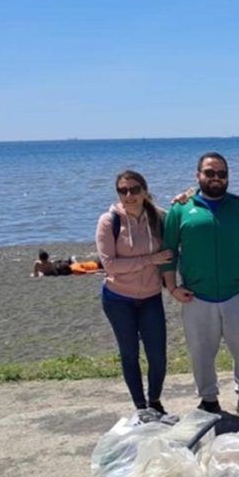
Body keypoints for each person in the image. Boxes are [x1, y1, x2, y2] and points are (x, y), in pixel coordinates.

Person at [160, 152, 239, 417]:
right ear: (198, 175)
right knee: (201, 353)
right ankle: (208, 400)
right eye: (209, 173)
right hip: (196, 296)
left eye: (221, 173)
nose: (216, 178)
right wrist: (173, 287)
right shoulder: (181, 209)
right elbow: (168, 252)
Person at [94, 171, 174, 414]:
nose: (129, 195)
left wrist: (185, 198)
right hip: (118, 298)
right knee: (129, 353)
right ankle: (140, 406)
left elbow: (179, 226)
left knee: (157, 355)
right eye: (123, 190)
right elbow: (109, 265)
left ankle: (155, 401)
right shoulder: (109, 221)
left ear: (145, 190)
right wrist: (151, 260)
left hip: (150, 297)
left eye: (135, 189)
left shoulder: (159, 217)